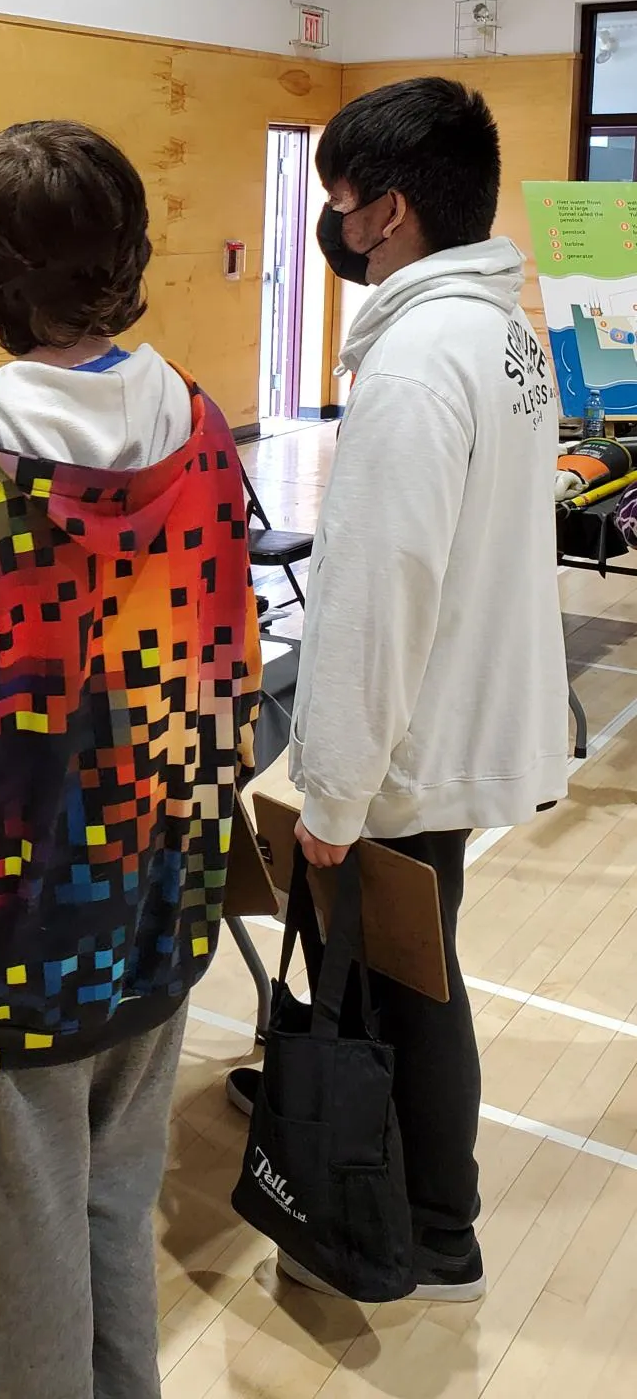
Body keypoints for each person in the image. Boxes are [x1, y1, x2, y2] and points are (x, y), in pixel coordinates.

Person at [0, 122, 260, 1399]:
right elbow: (232, 670)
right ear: (128, 255)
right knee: (116, 1202)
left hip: (17, 923)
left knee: (31, 1233)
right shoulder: (200, 426)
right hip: (167, 890)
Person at [246, 77, 567, 1303]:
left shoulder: (419, 361)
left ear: (388, 212)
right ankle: (389, 1162)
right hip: (459, 716)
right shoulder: (501, 330)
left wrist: (331, 791)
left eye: (339, 201)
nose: (333, 225)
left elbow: (380, 589)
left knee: (410, 981)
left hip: (411, 739)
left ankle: (436, 1228)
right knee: (409, 967)